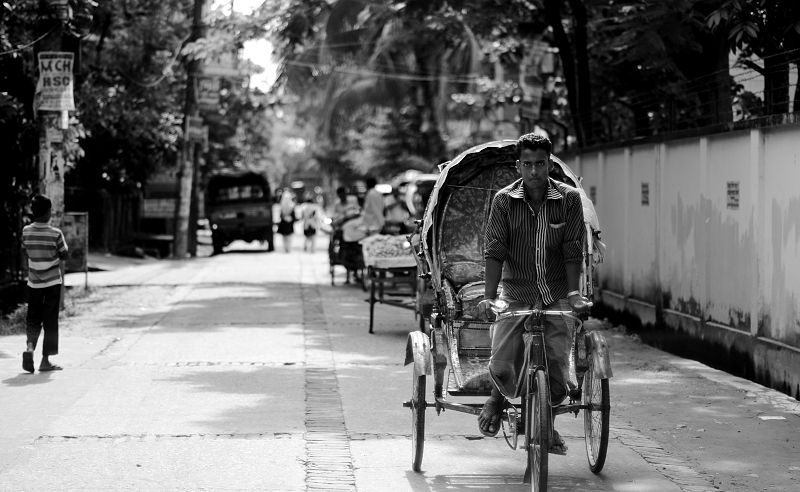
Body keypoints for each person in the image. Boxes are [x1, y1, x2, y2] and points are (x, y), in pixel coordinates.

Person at [475, 133, 591, 455]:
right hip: (516, 292)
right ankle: (497, 398)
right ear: (518, 165)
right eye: (527, 164)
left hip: (555, 292)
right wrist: (489, 297)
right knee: (502, 362)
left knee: (557, 363)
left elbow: (572, 251)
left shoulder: (568, 199)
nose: (534, 171)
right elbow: (495, 251)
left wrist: (573, 294)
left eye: (540, 164)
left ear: (549, 164)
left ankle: (547, 424)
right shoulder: (503, 200)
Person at [20, 194, 68, 373]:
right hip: (52, 283)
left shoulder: (26, 231)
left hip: (33, 283)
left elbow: (24, 250)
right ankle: (45, 361)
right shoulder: (55, 234)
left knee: (33, 318)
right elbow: (64, 254)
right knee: (50, 320)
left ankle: (30, 348)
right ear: (48, 213)